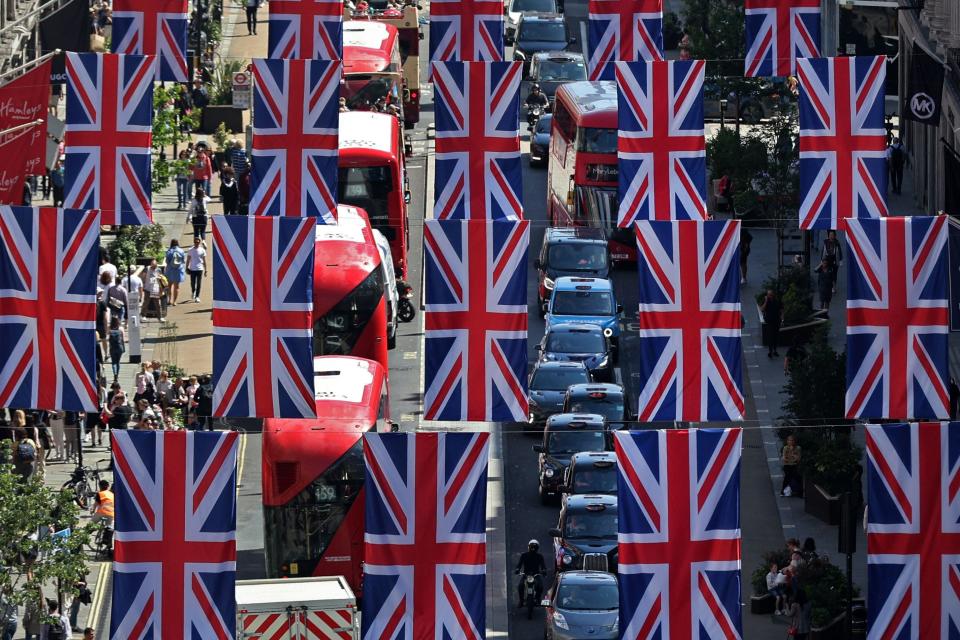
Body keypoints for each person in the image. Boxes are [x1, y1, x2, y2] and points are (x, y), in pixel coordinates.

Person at [514, 539, 547, 607]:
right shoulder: (524, 555)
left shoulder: (540, 556)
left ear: (537, 548)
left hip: (536, 575)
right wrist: (517, 569)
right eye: (531, 547)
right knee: (520, 586)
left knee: (540, 587)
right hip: (526, 574)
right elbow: (519, 564)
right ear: (529, 547)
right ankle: (521, 601)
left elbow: (543, 566)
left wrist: (544, 571)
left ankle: (538, 599)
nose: (533, 548)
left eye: (534, 547)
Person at [760, 289, 782, 357]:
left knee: (775, 336)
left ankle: (775, 350)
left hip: (776, 321)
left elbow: (781, 309)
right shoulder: (766, 301)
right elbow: (762, 309)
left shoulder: (777, 301)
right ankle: (770, 351)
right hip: (769, 322)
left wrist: (782, 319)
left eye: (771, 294)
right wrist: (766, 301)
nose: (770, 296)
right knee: (770, 336)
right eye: (769, 295)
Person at [164, 239, 186, 305]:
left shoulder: (169, 251)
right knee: (177, 287)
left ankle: (169, 300)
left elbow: (167, 262)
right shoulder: (181, 251)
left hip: (170, 270)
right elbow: (183, 260)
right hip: (178, 270)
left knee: (169, 286)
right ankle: (175, 301)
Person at [186, 236, 207, 303]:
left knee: (199, 283)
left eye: (198, 242)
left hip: (200, 269)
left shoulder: (202, 250)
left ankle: (197, 296)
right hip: (192, 269)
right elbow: (188, 260)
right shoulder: (190, 250)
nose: (196, 243)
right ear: (194, 242)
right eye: (195, 242)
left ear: (199, 242)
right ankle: (193, 292)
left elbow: (204, 260)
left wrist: (206, 269)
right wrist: (186, 268)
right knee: (192, 283)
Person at [821, 230, 843, 294]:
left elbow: (840, 251)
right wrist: (822, 260)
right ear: (828, 236)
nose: (831, 236)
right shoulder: (826, 242)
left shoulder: (837, 243)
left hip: (835, 259)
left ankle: (834, 287)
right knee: (828, 273)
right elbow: (823, 251)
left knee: (834, 274)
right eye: (830, 235)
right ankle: (829, 286)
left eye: (832, 235)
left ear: (835, 236)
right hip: (827, 259)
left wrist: (841, 260)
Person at [107, 317, 125, 381]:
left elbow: (108, 340)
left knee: (113, 362)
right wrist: (123, 349)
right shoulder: (121, 329)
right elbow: (122, 340)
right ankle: (117, 374)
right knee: (118, 362)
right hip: (119, 347)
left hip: (112, 348)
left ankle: (114, 373)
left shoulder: (110, 330)